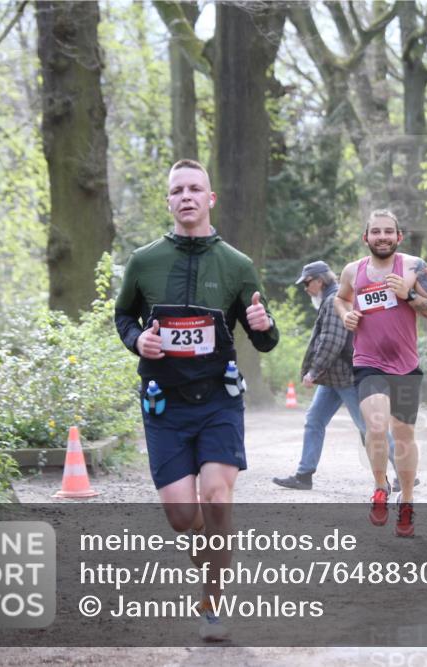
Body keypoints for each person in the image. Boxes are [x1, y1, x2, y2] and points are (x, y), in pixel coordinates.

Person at [114, 159, 278, 641]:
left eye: (195, 189)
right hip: (164, 404)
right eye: (177, 190)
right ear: (168, 201)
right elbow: (124, 316)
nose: (186, 196)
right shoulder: (145, 261)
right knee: (185, 517)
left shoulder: (237, 264)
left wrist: (266, 327)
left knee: (218, 496)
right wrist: (136, 340)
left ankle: (212, 604)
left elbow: (264, 337)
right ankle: (212, 544)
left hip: (218, 402)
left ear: (210, 199)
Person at [335, 209, 427, 537]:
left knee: (405, 437)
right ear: (365, 237)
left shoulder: (413, 267)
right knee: (376, 425)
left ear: (398, 237)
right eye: (375, 232)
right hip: (368, 362)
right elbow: (341, 299)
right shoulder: (353, 271)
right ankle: (380, 487)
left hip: (406, 366)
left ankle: (406, 502)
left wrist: (407, 296)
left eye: (388, 232)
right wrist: (345, 316)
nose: (382, 237)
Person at [272, 261, 404, 491]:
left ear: (319, 281)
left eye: (307, 283)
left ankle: (404, 472)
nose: (305, 288)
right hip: (333, 377)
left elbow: (332, 341)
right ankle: (304, 475)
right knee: (314, 420)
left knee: (370, 428)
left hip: (347, 376)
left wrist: (314, 371)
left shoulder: (335, 300)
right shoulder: (332, 299)